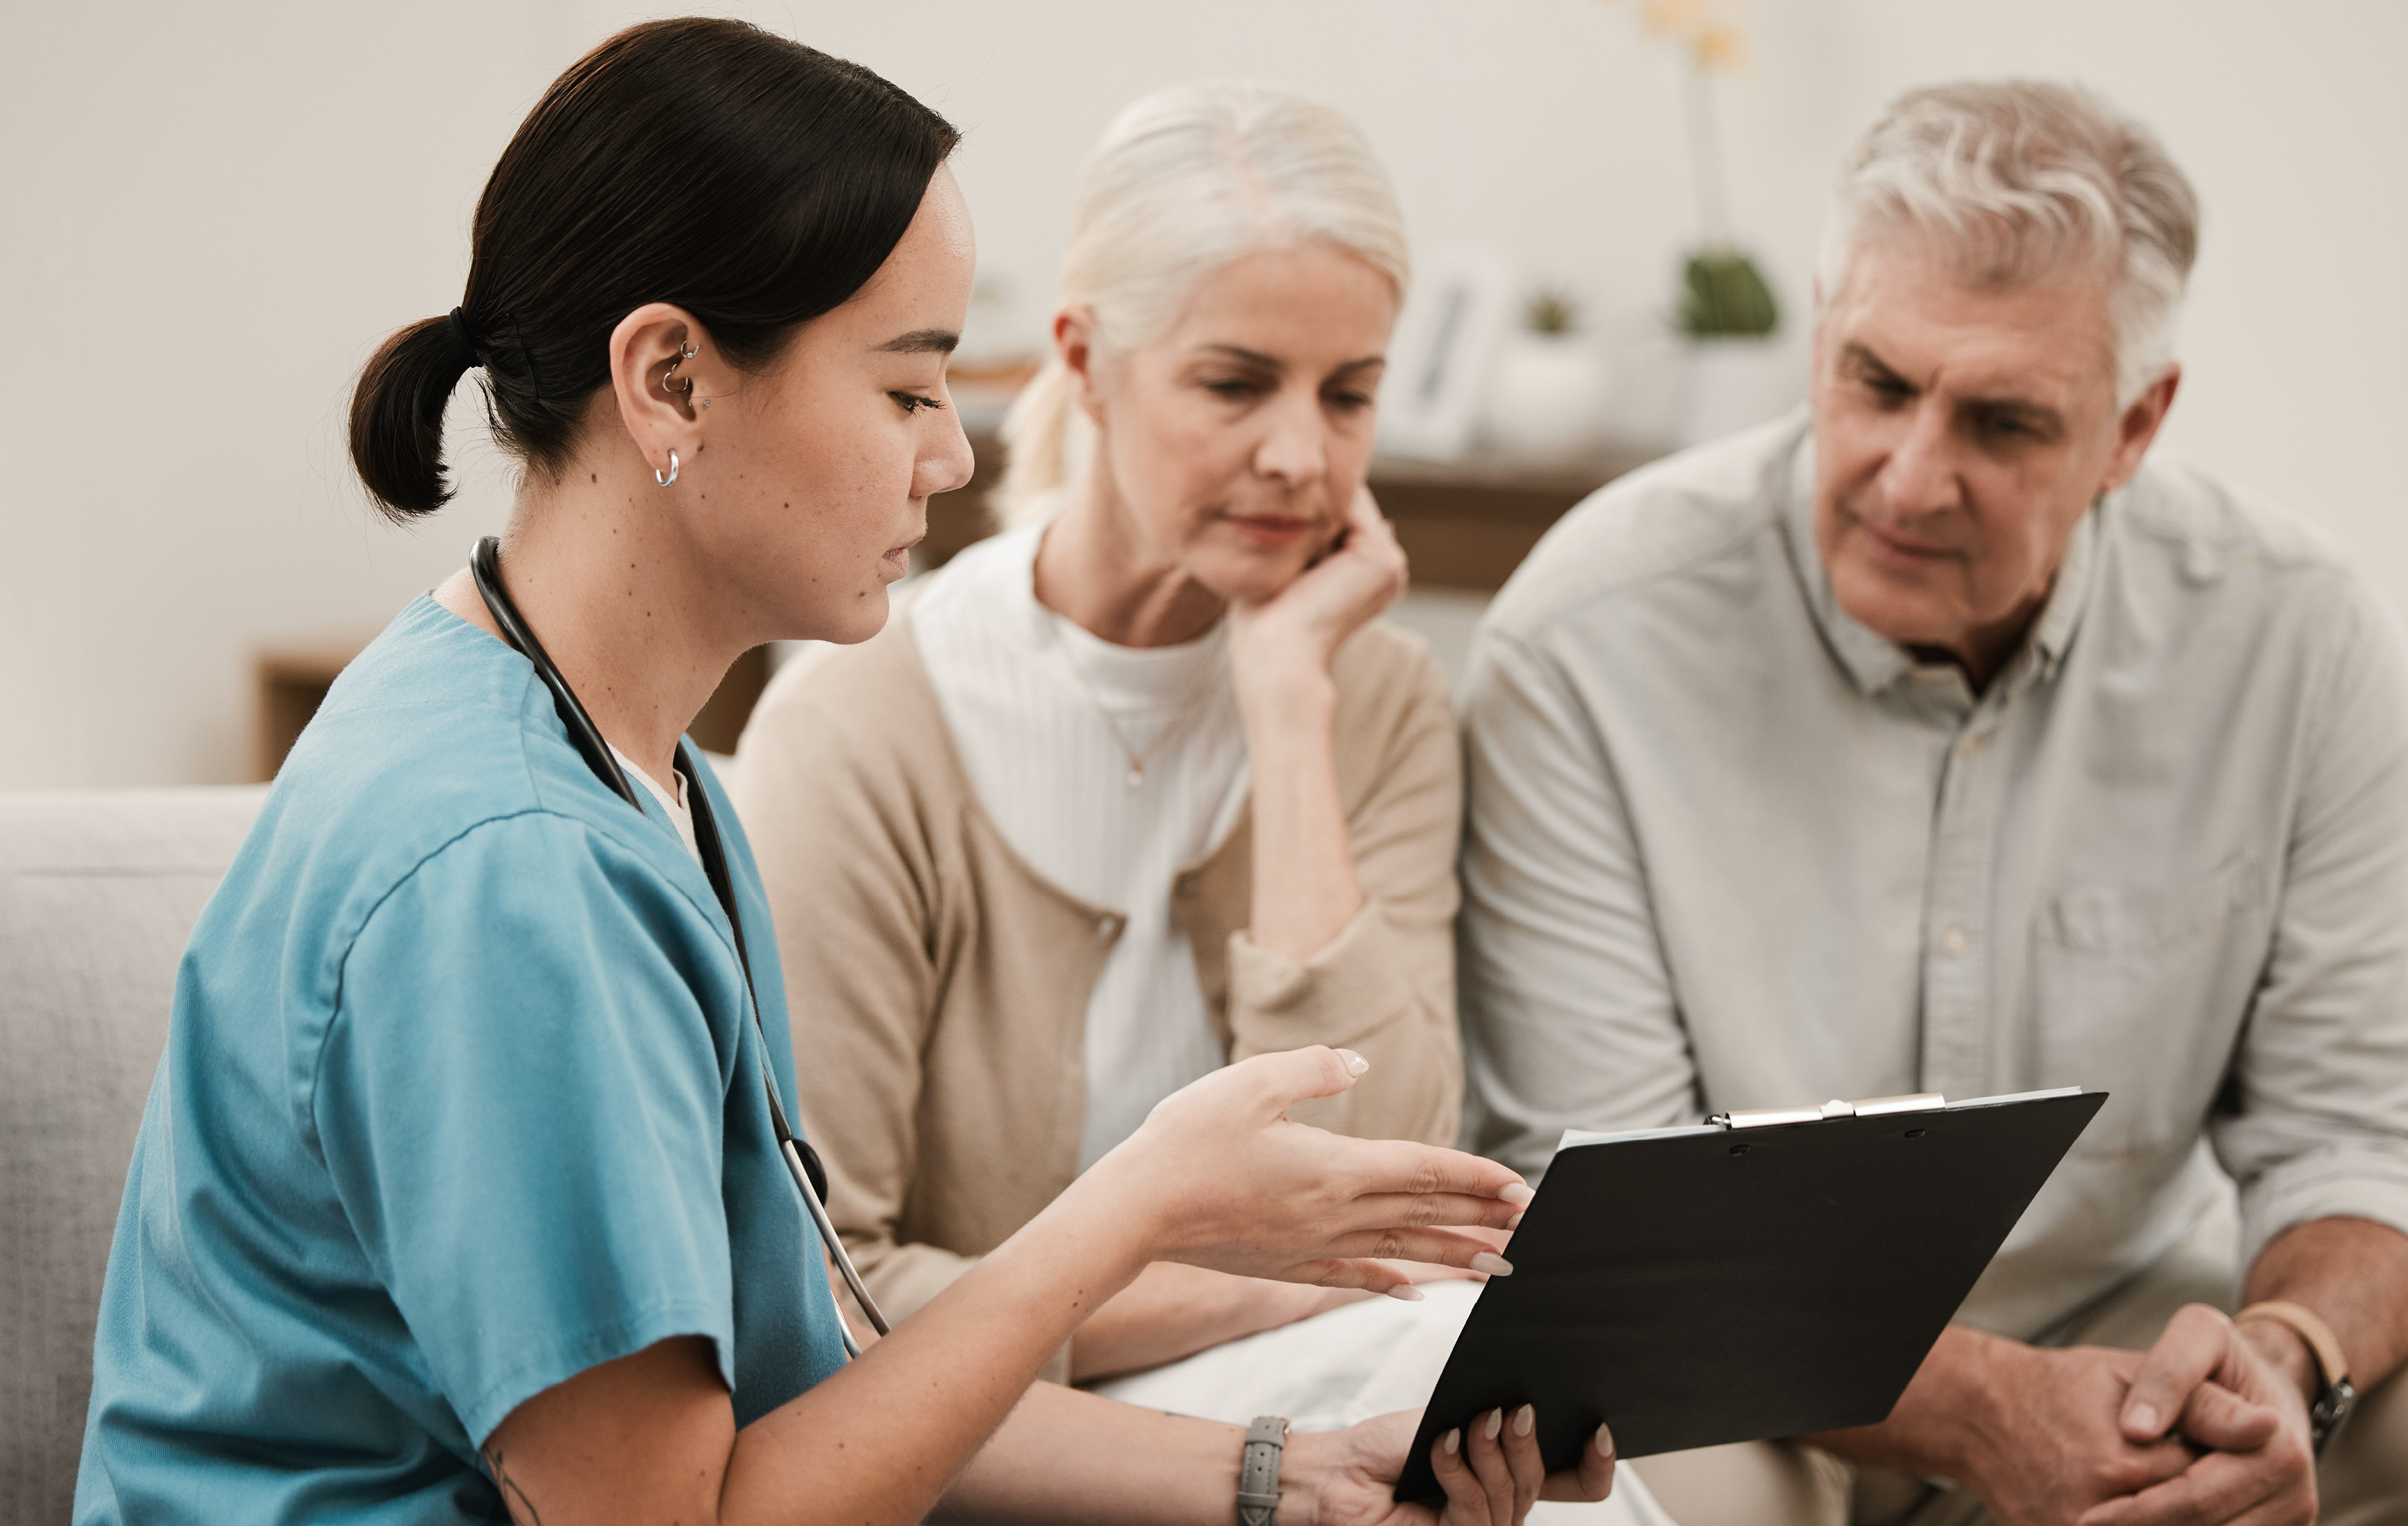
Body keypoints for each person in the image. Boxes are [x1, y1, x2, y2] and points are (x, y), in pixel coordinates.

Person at [73, 21, 1617, 1526]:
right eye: (906, 388)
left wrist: (1278, 1477)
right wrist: (1136, 1205)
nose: (952, 458)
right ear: (671, 380)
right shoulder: (510, 874)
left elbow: (814, 1379)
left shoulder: (626, 767)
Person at [1457, 80, 2408, 1526]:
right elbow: (1608, 1232)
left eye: (2004, 421)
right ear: (1824, 329)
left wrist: (2288, 1364)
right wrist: (1988, 1412)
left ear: (2135, 424)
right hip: (1736, 1378)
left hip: (2128, 1326)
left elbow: (2360, 1129)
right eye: (1877, 382)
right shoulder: (1584, 643)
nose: (1911, 476)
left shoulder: (2301, 635)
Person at [733, 79, 1466, 1386]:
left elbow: (1392, 1184)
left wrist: (1293, 709)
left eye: (1348, 394)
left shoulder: (1384, 701)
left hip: (1344, 1387)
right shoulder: (865, 721)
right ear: (1082, 359)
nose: (1303, 454)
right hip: (995, 1435)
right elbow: (823, 1282)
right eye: (1236, 384)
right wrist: (1227, 1303)